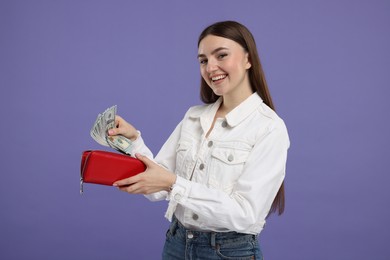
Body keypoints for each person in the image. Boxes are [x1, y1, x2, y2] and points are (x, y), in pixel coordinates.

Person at [109, 20, 290, 260]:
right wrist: (133, 143)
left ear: (248, 59)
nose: (210, 67)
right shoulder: (193, 117)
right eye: (203, 60)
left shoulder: (269, 127)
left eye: (221, 55)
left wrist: (174, 184)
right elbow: (156, 189)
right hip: (176, 244)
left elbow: (245, 213)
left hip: (228, 252)